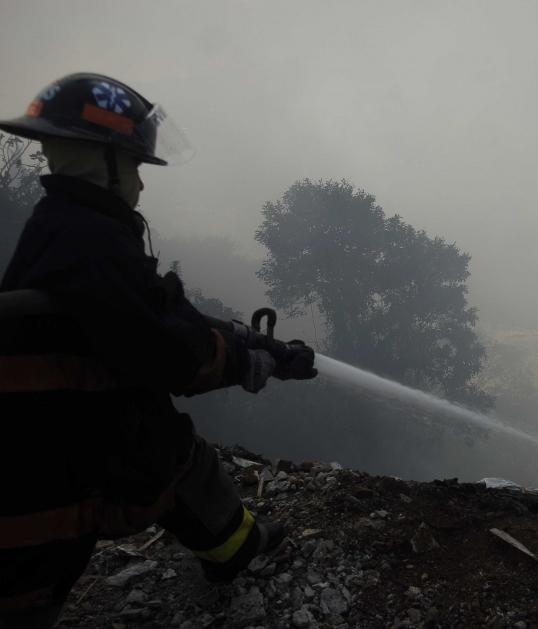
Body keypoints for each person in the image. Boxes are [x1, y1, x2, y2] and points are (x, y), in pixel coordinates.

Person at [0, 73, 317, 628]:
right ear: (105, 162)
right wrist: (247, 363)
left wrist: (246, 338)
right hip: (38, 483)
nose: (142, 188)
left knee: (163, 440)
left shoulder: (67, 228)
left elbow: (152, 314)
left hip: (45, 441)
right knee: (156, 446)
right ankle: (232, 549)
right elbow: (170, 354)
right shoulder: (93, 245)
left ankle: (233, 547)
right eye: (137, 168)